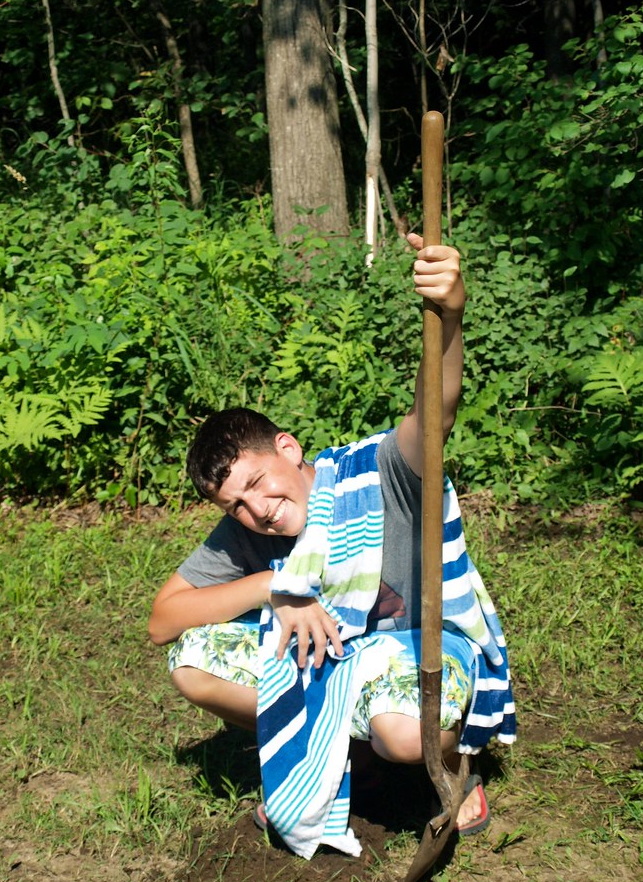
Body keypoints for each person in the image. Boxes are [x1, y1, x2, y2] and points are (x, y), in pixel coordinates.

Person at [149, 234, 515, 850]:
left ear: (288, 450)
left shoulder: (378, 474)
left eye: (258, 484)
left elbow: (436, 413)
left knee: (401, 733)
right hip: (342, 671)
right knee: (191, 661)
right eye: (235, 505)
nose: (258, 511)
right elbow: (164, 620)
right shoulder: (247, 528)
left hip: (420, 655)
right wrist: (274, 586)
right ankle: (347, 757)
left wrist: (450, 316)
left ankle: (447, 766)